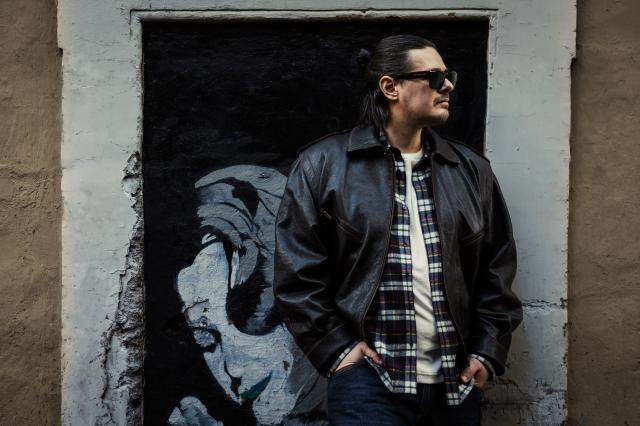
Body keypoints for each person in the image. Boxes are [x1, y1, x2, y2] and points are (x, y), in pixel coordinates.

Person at [273, 34, 523, 425]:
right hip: (369, 384)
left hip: (455, 385)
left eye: (449, 76)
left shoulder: (472, 171)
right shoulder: (322, 166)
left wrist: (486, 353)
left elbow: (498, 271)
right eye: (434, 77)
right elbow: (297, 275)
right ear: (390, 87)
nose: (448, 86)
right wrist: (338, 350)